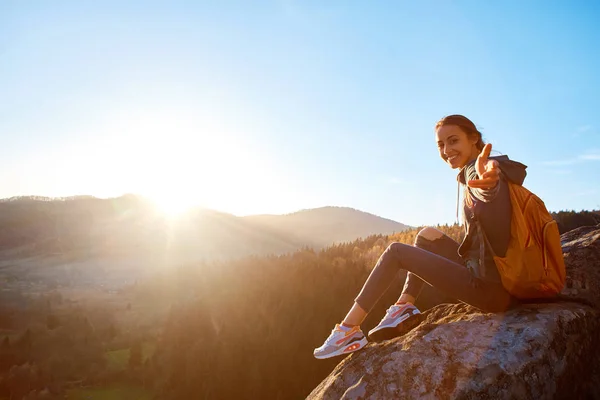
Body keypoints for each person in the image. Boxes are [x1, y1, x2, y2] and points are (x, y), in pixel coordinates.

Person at [314, 114, 528, 359]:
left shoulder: (481, 172)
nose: (447, 150)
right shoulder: (491, 168)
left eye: (453, 141)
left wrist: (488, 185)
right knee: (427, 236)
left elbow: (489, 190)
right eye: (441, 145)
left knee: (396, 252)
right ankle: (404, 306)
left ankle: (348, 330)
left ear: (474, 139)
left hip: (492, 289)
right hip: (498, 275)